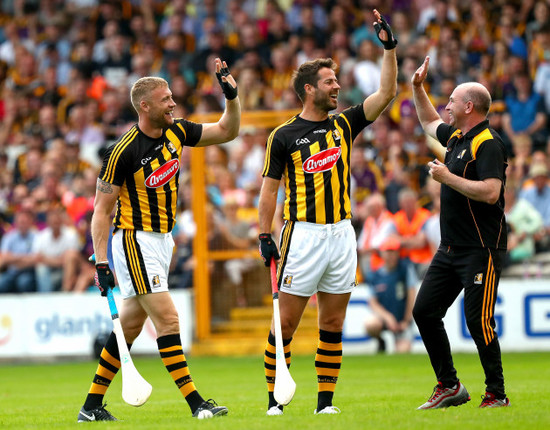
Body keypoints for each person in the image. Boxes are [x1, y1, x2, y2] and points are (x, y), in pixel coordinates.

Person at [77, 57, 241, 422]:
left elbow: (227, 131)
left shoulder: (177, 131)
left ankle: (90, 407)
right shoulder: (121, 152)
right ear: (145, 106)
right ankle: (197, 404)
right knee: (168, 320)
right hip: (134, 241)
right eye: (166, 99)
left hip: (163, 241)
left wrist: (231, 96)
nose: (173, 104)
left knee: (132, 324)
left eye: (172, 98)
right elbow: (101, 212)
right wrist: (101, 262)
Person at [258, 10, 397, 416]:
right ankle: (274, 401)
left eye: (336, 81)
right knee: (285, 325)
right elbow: (269, 190)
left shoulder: (344, 125)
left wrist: (388, 48)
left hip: (341, 234)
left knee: (332, 325)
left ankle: (325, 403)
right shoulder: (282, 136)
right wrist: (264, 234)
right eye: (329, 82)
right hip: (303, 236)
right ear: (308, 89)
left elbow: (386, 95)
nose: (337, 86)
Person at [411, 56, 510, 409]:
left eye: (451, 100)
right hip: (451, 247)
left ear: (469, 106)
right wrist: (417, 88)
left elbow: (491, 192)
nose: (446, 106)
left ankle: (496, 393)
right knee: (424, 311)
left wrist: (446, 177)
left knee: (477, 320)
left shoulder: (489, 143)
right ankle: (449, 386)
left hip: (481, 247)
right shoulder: (457, 137)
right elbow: (427, 121)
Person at [364, 236, 417, 354]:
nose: (391, 255)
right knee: (370, 324)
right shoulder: (375, 274)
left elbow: (411, 295)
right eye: (388, 251)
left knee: (403, 352)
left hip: (402, 320)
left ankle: (400, 337)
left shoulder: (405, 269)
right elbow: (373, 302)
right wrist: (388, 317)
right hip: (384, 320)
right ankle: (380, 341)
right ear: (382, 253)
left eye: (393, 251)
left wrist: (406, 321)